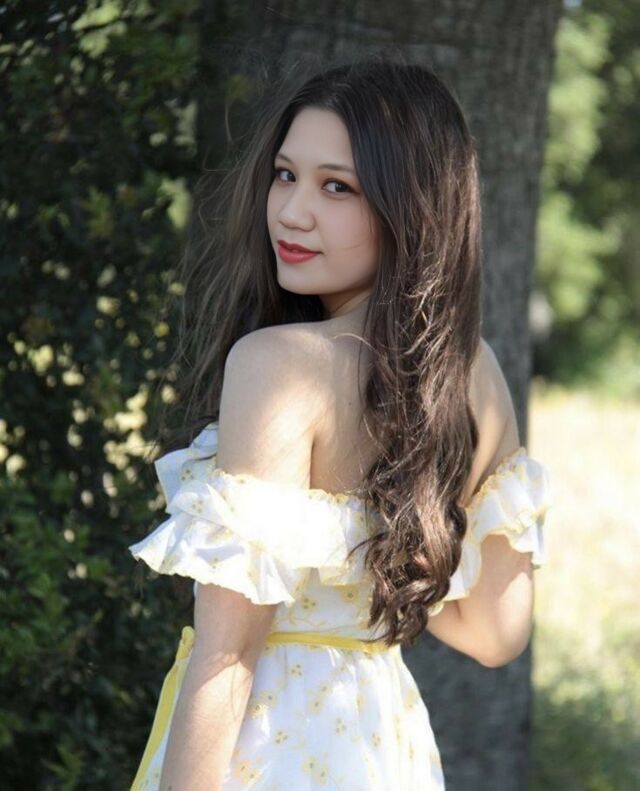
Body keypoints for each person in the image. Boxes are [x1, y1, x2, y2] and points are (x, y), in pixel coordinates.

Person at [127, 55, 552, 790]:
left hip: (271, 752)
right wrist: (371, 572)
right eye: (285, 175)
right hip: (384, 750)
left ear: (412, 208)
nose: (292, 211)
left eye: (337, 187)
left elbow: (228, 654)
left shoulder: (277, 365)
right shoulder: (473, 374)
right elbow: (496, 632)